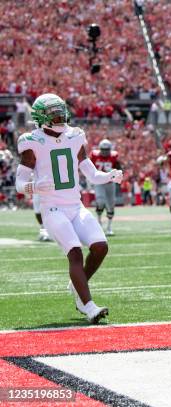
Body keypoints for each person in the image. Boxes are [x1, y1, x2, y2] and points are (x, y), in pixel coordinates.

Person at [15, 93, 122, 323]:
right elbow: (19, 183)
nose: (59, 116)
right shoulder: (32, 141)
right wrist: (34, 186)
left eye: (60, 111)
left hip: (75, 205)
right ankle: (89, 306)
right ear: (41, 116)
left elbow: (91, 173)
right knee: (74, 252)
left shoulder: (75, 136)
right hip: (52, 208)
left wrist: (109, 176)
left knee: (101, 247)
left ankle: (77, 284)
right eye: (53, 113)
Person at [91, 139, 122, 235]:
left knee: (111, 205)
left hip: (110, 183)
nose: (104, 151)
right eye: (103, 149)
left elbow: (119, 167)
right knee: (100, 201)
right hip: (99, 182)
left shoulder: (114, 156)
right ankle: (99, 222)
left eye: (106, 149)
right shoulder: (94, 155)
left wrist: (118, 173)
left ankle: (109, 227)